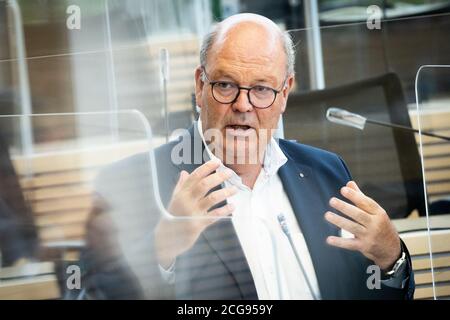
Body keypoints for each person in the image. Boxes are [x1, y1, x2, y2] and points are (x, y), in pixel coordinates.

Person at [90, 13, 414, 300]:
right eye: (227, 85)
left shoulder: (327, 172)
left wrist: (391, 258)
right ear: (200, 85)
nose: (243, 106)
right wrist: (161, 247)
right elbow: (88, 294)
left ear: (284, 94)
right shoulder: (130, 184)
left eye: (261, 89)